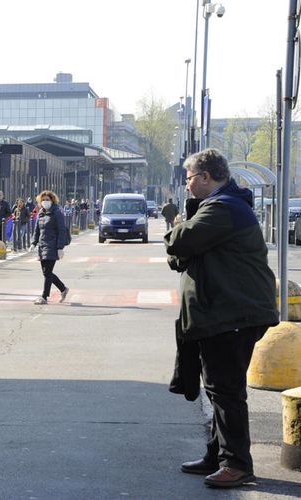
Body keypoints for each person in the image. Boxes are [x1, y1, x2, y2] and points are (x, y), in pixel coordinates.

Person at [164, 148, 277, 489]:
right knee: (217, 390)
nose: (186, 186)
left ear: (205, 177)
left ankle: (237, 464)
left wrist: (179, 223)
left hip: (232, 313)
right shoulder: (221, 207)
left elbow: (179, 241)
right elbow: (180, 255)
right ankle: (218, 455)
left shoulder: (223, 208)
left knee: (225, 390)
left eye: (188, 179)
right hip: (224, 311)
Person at [30, 190, 69, 305]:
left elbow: (62, 230)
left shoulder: (57, 212)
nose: (45, 202)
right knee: (46, 273)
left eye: (47, 200)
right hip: (42, 246)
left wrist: (60, 247)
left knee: (47, 272)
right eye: (43, 200)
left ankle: (44, 297)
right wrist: (33, 242)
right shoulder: (40, 213)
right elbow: (37, 230)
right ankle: (63, 288)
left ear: (52, 200)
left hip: (53, 245)